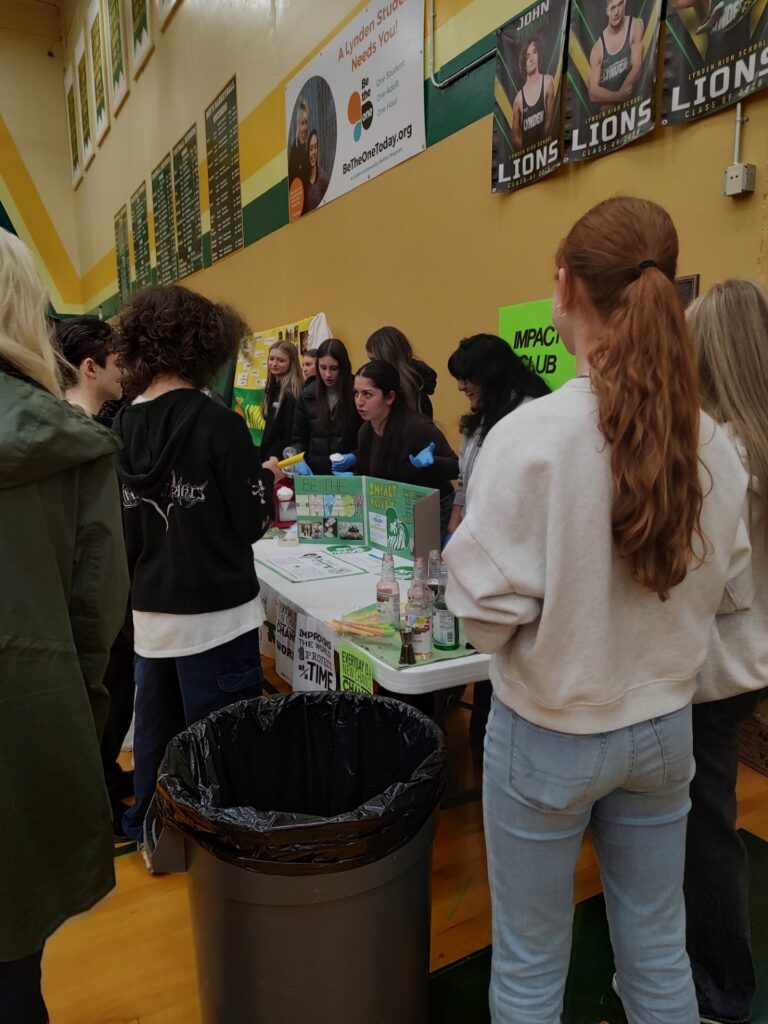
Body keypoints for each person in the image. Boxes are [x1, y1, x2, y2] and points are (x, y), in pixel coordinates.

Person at [443, 196, 752, 1023]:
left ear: (565, 286)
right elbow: (729, 584)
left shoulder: (530, 438)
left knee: (530, 965)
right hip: (664, 728)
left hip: (548, 731)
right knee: (657, 949)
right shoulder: (714, 445)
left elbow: (482, 621)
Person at [0, 228, 129, 1023]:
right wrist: (78, 720)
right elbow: (96, 616)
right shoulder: (70, 450)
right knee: (15, 968)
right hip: (28, 729)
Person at [112, 285, 271, 847]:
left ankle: (152, 829)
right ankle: (224, 840)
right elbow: (251, 521)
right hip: (218, 613)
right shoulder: (219, 424)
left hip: (151, 612)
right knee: (223, 737)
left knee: (156, 732)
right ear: (207, 346)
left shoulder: (121, 428)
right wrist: (264, 485)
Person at [684, 279, 768, 1024]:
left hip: (716, 667)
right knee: (709, 816)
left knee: (702, 828)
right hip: (750, 662)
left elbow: (718, 583)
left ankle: (718, 990)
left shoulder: (724, 451)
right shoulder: (754, 440)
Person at [446, 334, 551, 739]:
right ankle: (479, 728)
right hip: (478, 545)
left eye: (466, 377)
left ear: (489, 374)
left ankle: (486, 732)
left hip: (512, 553)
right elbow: (464, 482)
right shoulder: (478, 422)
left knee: (504, 645)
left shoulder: (529, 417)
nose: (461, 386)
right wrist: (454, 527)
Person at [56, 316, 136, 835]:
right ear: (90, 367)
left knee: (113, 692)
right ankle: (97, 800)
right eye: (116, 362)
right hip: (90, 601)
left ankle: (105, 776)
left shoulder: (86, 433)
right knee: (100, 694)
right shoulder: (77, 439)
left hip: (102, 596)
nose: (124, 371)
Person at [336, 360, 458, 536]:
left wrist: (433, 462)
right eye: (356, 393)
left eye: (367, 394)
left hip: (432, 511)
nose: (359, 402)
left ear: (390, 397)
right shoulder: (365, 431)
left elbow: (456, 467)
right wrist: (353, 479)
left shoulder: (416, 426)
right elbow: (376, 478)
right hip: (397, 512)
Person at [291, 338, 361, 474]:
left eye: (334, 368)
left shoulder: (357, 393)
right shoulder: (307, 396)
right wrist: (298, 459)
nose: (328, 374)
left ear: (344, 367)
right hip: (315, 473)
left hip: (348, 473)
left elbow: (368, 439)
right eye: (323, 368)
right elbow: (298, 438)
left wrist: (354, 457)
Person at [55, 315, 123, 416]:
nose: (125, 371)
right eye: (118, 364)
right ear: (91, 368)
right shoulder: (83, 424)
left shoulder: (53, 417)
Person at [365, 326, 437, 418]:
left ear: (388, 357)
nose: (372, 366)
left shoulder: (413, 392)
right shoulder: (413, 384)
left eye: (374, 360)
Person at [588, 0, 644, 107]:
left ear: (625, 3)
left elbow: (637, 66)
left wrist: (621, 95)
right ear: (607, 11)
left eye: (620, 4)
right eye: (612, 8)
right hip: (609, 114)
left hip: (635, 108)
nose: (617, 12)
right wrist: (618, 96)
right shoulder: (597, 48)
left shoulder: (635, 25)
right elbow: (593, 92)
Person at [259, 339, 304, 463]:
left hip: (280, 461)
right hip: (269, 458)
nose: (274, 363)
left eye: (280, 360)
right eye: (271, 359)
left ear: (291, 363)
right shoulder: (273, 388)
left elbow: (290, 435)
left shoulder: (291, 394)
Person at [512, 37, 556, 149]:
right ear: (524, 63)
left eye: (534, 52)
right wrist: (528, 150)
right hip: (529, 156)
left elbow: (549, 121)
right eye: (527, 56)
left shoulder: (548, 82)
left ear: (538, 56)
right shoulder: (518, 99)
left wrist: (539, 146)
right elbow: (515, 137)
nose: (531, 58)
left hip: (547, 150)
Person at [304, 129, 330, 213]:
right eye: (311, 149)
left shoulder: (322, 178)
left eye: (315, 147)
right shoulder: (303, 182)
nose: (313, 152)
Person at [288, 95, 310, 196]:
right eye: (302, 123)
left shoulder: (307, 148)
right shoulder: (294, 152)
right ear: (298, 125)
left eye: (306, 122)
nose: (305, 127)